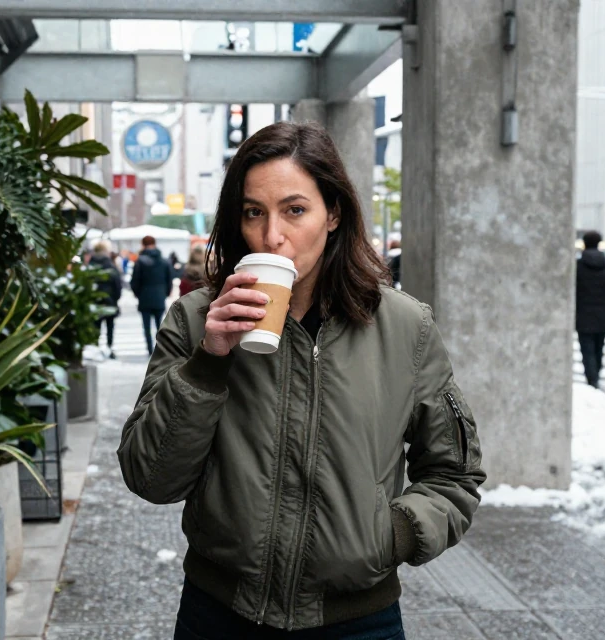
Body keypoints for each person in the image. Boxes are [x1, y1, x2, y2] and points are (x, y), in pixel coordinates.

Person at [118, 122, 485, 638]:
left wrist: (392, 535)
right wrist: (209, 361)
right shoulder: (197, 319)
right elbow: (150, 478)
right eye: (254, 213)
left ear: (332, 213)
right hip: (220, 614)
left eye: (294, 210)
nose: (272, 236)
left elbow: (454, 474)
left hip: (358, 620)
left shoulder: (405, 328)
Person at [575, 231, 605, 388]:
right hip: (603, 314)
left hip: (582, 313)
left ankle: (592, 379)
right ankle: (596, 375)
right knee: (599, 347)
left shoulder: (577, 267)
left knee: (587, 349)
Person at [130, 235, 173, 354]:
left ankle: (150, 348)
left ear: (143, 245)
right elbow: (169, 279)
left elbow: (135, 281)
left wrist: (138, 294)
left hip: (144, 296)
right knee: (160, 324)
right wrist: (166, 293)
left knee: (147, 326)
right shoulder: (164, 261)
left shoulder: (140, 261)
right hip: (159, 295)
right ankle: (160, 348)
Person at [90, 241, 123, 359]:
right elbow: (118, 285)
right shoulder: (111, 266)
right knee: (110, 326)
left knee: (95, 326)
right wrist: (116, 298)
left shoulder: (90, 266)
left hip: (94, 301)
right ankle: (109, 347)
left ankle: (95, 347)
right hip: (109, 301)